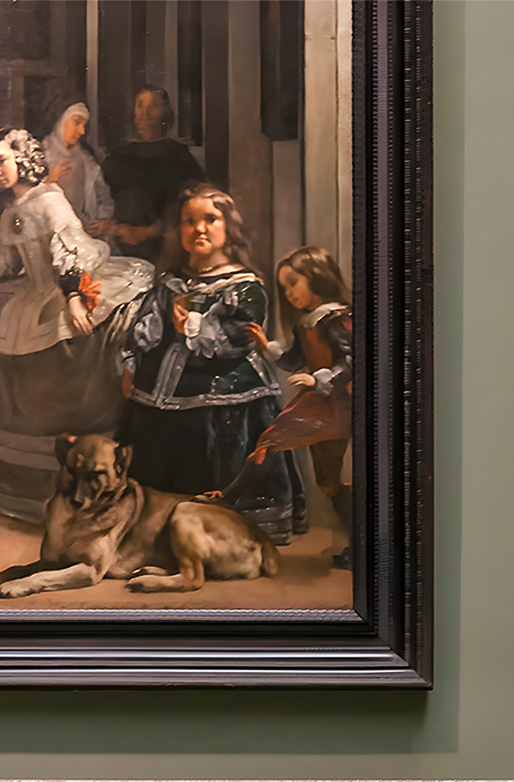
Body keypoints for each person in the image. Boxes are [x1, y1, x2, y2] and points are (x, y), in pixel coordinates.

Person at [0, 127, 152, 520]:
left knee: (65, 342)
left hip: (67, 285)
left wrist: (73, 297)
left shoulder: (50, 200)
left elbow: (71, 251)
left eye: (2, 161)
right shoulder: (11, 211)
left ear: (22, 159)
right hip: (31, 291)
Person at [120, 182, 303, 542]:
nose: (199, 228)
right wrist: (131, 362)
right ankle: (160, 529)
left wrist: (190, 324)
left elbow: (236, 339)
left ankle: (223, 532)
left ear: (228, 227)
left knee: (218, 461)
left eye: (210, 219)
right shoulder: (169, 282)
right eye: (189, 221)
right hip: (161, 395)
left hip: (226, 396)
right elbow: (142, 328)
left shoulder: (244, 286)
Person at [212, 245, 354, 565]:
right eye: (284, 287)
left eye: (294, 283)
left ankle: (229, 496)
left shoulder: (335, 319)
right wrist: (267, 347)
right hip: (320, 399)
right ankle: (360, 542)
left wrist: (318, 379)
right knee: (327, 482)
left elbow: (351, 362)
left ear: (316, 276)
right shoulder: (307, 322)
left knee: (271, 441)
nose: (289, 293)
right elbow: (293, 359)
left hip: (338, 401)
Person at [102, 85, 206, 262]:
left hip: (163, 248)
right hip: (117, 246)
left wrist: (147, 232)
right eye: (140, 105)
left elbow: (194, 205)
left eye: (154, 106)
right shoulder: (117, 157)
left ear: (165, 113)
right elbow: (100, 199)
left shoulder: (179, 156)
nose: (145, 113)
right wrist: (113, 228)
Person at [43, 102, 116, 243]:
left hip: (85, 239)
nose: (82, 131)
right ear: (60, 122)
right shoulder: (41, 156)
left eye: (84, 125)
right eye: (76, 122)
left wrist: (103, 221)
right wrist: (49, 181)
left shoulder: (86, 159)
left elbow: (103, 196)